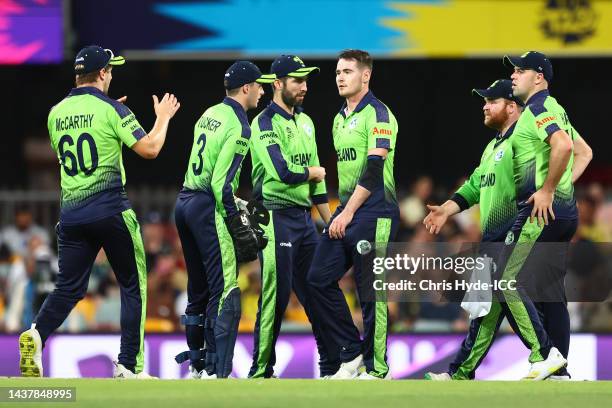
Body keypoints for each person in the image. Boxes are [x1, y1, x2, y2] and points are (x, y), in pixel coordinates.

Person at [18, 45, 180, 379]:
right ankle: (129, 365)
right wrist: (162, 118)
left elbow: (79, 139)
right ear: (103, 73)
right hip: (110, 210)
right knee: (133, 285)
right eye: (111, 70)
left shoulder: (56, 112)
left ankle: (36, 334)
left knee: (69, 288)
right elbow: (149, 149)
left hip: (72, 216)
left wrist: (106, 118)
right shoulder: (112, 111)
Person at [423, 79, 564, 380]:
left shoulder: (523, 139)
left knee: (505, 284)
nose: (485, 107)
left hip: (513, 231)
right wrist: (446, 210)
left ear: (512, 106)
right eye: (484, 102)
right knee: (483, 310)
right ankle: (460, 371)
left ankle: (545, 353)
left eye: (492, 101)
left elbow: (539, 176)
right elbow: (474, 186)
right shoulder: (492, 146)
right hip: (491, 238)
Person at [174, 61, 273, 379]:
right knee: (227, 289)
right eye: (260, 85)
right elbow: (220, 184)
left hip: (185, 202)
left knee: (198, 291)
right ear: (246, 88)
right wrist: (237, 220)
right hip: (208, 206)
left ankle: (198, 366)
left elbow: (205, 171)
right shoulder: (241, 125)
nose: (263, 90)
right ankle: (219, 372)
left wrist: (238, 201)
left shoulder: (210, 113)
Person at [307, 49, 400, 380]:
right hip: (348, 211)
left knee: (371, 292)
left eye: (347, 71)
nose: (340, 77)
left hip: (376, 212)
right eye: (337, 72)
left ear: (366, 75)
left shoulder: (380, 114)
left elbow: (374, 169)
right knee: (316, 279)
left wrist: (344, 212)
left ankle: (377, 369)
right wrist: (341, 212)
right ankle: (351, 350)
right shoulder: (337, 119)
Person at [248, 55, 337, 378]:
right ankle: (260, 371)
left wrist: (329, 221)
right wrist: (312, 172)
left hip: (304, 220)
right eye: (297, 81)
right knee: (278, 294)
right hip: (274, 216)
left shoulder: (307, 122)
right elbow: (283, 173)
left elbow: (319, 182)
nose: (304, 86)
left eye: (305, 81)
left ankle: (330, 366)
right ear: (277, 84)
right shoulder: (263, 123)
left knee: (317, 293)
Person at [504, 51, 591, 379]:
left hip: (542, 213)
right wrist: (562, 189)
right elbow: (585, 151)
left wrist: (548, 190)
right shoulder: (555, 109)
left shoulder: (539, 107)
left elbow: (565, 148)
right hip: (565, 214)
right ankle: (559, 371)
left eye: (520, 70)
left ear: (538, 77)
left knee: (505, 279)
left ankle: (544, 354)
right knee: (551, 292)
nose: (514, 75)